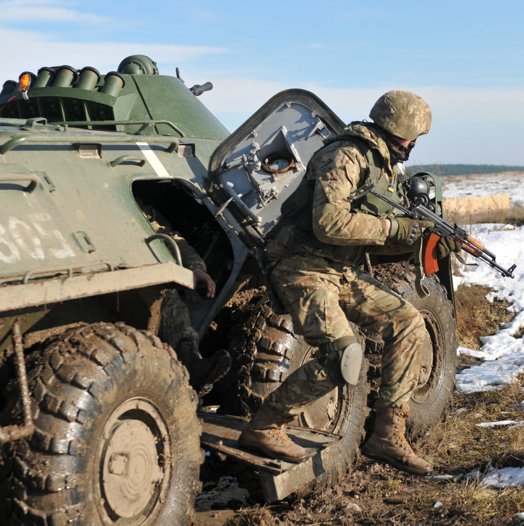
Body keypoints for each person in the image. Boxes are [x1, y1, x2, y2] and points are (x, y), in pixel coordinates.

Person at [238, 90, 460, 475]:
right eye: (414, 136)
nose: (414, 144)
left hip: (339, 271)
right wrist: (394, 230)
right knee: (342, 357)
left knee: (408, 323)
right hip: (302, 267)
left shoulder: (382, 163)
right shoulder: (345, 156)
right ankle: (265, 425)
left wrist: (419, 233)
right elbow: (330, 223)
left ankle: (388, 435)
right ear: (398, 129)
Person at [141, 205, 231, 395]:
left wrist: (197, 268)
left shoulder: (143, 208)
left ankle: (189, 361)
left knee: (170, 294)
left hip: (142, 267)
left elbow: (171, 237)